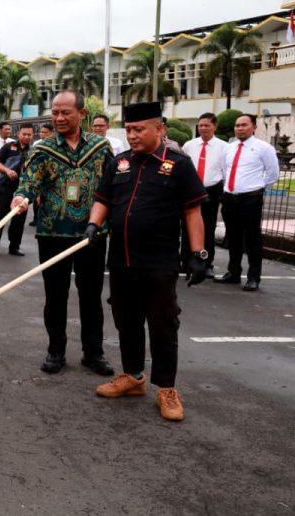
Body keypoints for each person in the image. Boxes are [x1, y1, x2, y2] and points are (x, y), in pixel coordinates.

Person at [87, 101, 208, 422]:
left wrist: (198, 254)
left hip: (159, 261)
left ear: (160, 129)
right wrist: (92, 225)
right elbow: (103, 199)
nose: (132, 136)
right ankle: (133, 377)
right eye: (128, 130)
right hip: (122, 259)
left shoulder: (178, 165)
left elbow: (192, 210)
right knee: (126, 318)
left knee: (162, 323)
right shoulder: (119, 163)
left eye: (139, 129)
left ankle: (166, 388)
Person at [11, 91, 115, 376]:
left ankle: (93, 352)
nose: (58, 118)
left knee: (91, 296)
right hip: (53, 234)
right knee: (55, 296)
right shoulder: (43, 149)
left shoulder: (101, 147)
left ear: (82, 114)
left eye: (65, 112)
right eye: (54, 112)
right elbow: (28, 182)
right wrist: (21, 199)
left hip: (92, 236)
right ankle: (55, 350)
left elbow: (111, 189)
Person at [215, 114, 280, 291]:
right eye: (237, 125)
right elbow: (224, 169)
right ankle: (233, 273)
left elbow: (273, 173)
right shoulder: (229, 148)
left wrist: (257, 188)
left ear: (254, 127)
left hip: (250, 199)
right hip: (229, 198)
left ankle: (253, 277)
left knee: (252, 239)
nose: (239, 128)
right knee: (233, 238)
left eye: (244, 125)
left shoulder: (263, 148)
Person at [181, 113, 226, 278]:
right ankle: (185, 260)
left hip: (211, 191)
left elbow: (226, 171)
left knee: (207, 227)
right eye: (200, 125)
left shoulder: (223, 147)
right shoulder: (189, 145)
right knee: (187, 226)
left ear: (215, 126)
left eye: (207, 125)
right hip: (190, 191)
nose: (203, 128)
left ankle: (206, 262)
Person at [0, 123, 32, 256]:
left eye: (29, 134)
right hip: (5, 188)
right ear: (18, 134)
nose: (27, 137)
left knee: (19, 220)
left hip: (23, 191)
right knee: (0, 218)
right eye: (24, 134)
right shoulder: (8, 147)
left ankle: (15, 247)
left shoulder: (34, 151)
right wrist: (7, 171)